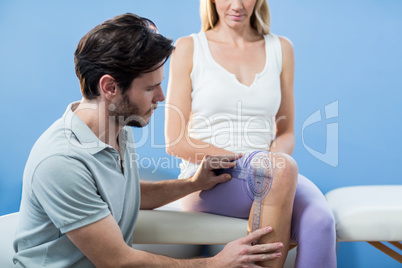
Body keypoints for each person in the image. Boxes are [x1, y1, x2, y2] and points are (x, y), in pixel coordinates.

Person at [13, 13, 285, 268]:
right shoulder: (62, 162)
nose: (162, 97)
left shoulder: (118, 127)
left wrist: (193, 184)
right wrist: (214, 262)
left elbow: (125, 193)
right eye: (150, 87)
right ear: (109, 88)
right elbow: (119, 262)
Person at [165, 0, 337, 267]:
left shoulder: (281, 48)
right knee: (277, 170)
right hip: (208, 176)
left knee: (321, 221)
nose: (237, 5)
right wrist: (255, 163)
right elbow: (175, 142)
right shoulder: (189, 47)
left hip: (271, 169)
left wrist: (272, 167)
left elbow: (287, 131)